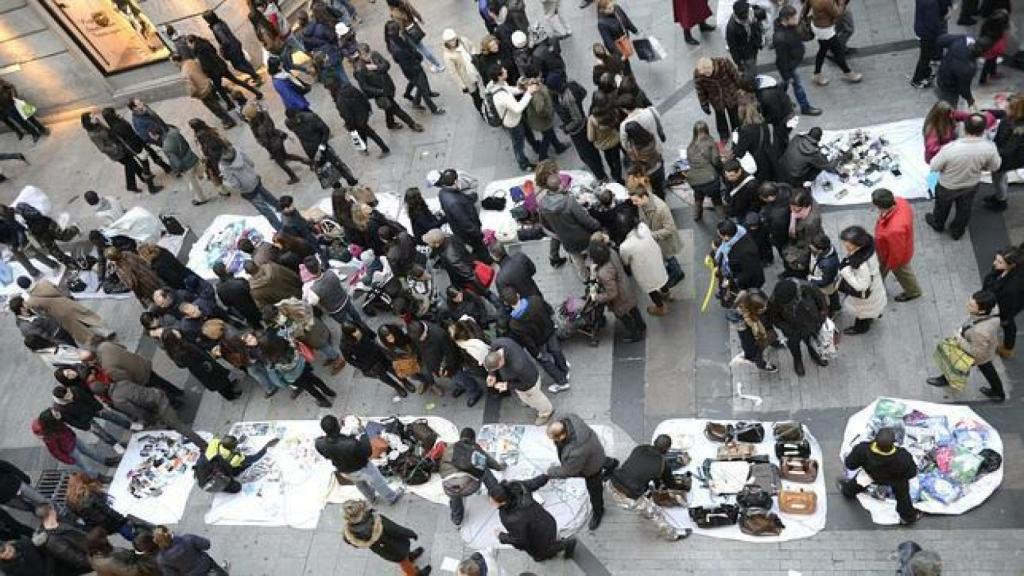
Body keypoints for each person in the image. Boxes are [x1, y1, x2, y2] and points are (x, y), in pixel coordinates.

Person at [925, 114, 1001, 240]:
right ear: (983, 130)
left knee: (941, 207)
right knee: (964, 209)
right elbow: (995, 166)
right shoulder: (990, 148)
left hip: (948, 185)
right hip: (970, 185)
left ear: (965, 128)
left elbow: (934, 166)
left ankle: (938, 224)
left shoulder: (950, 148)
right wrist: (983, 167)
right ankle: (957, 231)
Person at [608, 434, 693, 540]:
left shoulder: (640, 448)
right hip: (627, 497)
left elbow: (639, 469)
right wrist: (684, 487)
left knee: (645, 492)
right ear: (667, 449)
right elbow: (671, 484)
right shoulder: (662, 464)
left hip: (611, 484)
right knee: (656, 513)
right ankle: (673, 535)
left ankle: (644, 510)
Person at [927, 290, 1006, 400]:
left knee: (955, 363)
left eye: (971, 305)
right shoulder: (993, 311)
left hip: (977, 350)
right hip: (987, 348)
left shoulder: (980, 332)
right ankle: (998, 392)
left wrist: (959, 339)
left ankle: (945, 379)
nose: (967, 305)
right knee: (987, 368)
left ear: (982, 311)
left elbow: (976, 353)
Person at [546, 414, 618, 530]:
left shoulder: (575, 452)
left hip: (591, 469)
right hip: (595, 450)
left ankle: (598, 511)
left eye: (554, 439)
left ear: (562, 435)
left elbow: (568, 471)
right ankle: (612, 463)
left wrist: (551, 472)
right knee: (598, 458)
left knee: (595, 490)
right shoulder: (570, 418)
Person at [839, 428, 921, 525]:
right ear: (894, 442)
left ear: (875, 439)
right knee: (903, 496)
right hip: (895, 480)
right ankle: (908, 517)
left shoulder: (862, 449)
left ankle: (847, 491)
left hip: (871, 474)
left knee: (860, 480)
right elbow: (912, 473)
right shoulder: (903, 456)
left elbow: (850, 464)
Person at [316, 415, 404, 505]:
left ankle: (372, 498)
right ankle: (392, 497)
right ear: (337, 426)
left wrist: (347, 436)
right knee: (377, 481)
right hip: (362, 467)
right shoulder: (351, 444)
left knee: (360, 484)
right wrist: (363, 434)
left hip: (344, 470)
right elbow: (368, 452)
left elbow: (327, 454)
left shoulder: (319, 443)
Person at [488, 476, 576, 561]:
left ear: (503, 502)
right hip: (547, 520)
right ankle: (557, 544)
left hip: (538, 535)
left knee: (541, 553)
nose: (490, 501)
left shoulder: (511, 519)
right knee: (547, 543)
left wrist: (501, 536)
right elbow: (533, 483)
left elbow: (520, 541)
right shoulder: (517, 486)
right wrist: (546, 476)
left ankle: (566, 544)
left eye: (493, 501)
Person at [537, 162, 601, 279]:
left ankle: (585, 278)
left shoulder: (542, 204)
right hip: (583, 237)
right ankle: (595, 276)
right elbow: (586, 220)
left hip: (566, 241)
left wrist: (558, 235)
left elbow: (546, 226)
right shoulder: (569, 201)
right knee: (593, 256)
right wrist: (598, 226)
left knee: (577, 260)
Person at [501, 286, 570, 393]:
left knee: (546, 361)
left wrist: (536, 353)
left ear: (506, 303)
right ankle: (564, 369)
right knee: (556, 351)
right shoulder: (535, 300)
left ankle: (562, 381)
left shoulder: (514, 323)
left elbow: (527, 341)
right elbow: (548, 310)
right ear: (518, 295)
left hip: (538, 343)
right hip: (550, 332)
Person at [342, 499, 430, 576]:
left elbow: (354, 543)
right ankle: (413, 574)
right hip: (396, 547)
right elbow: (397, 530)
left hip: (382, 550)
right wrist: (411, 534)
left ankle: (409, 557)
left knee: (403, 559)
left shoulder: (349, 533)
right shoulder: (378, 522)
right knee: (404, 563)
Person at [81, 112, 161, 194]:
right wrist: (114, 148)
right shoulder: (93, 134)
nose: (94, 117)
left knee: (133, 163)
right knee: (130, 166)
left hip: (120, 147)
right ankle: (132, 185)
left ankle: (142, 179)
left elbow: (108, 130)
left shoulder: (97, 125)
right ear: (88, 121)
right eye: (92, 117)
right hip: (116, 153)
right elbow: (102, 148)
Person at [439, 427, 505, 525]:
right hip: (468, 487)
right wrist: (500, 467)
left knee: (454, 491)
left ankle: (457, 518)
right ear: (473, 439)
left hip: (448, 487)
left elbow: (442, 467)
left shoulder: (450, 447)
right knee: (484, 469)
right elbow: (490, 463)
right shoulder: (475, 449)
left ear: (460, 438)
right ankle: (496, 493)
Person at [353, 43, 424, 132]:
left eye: (368, 54)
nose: (367, 57)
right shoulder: (359, 69)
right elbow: (364, 87)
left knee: (389, 108)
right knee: (395, 108)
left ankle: (390, 124)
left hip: (387, 86)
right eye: (364, 55)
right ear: (359, 55)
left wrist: (377, 67)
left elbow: (386, 65)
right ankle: (412, 124)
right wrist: (380, 91)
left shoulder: (375, 55)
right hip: (380, 93)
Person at [630, 181, 685, 293]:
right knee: (666, 257)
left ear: (644, 197)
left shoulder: (661, 208)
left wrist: (651, 235)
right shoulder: (642, 204)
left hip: (665, 240)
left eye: (636, 201)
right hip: (657, 239)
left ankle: (678, 274)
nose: (634, 204)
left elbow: (670, 228)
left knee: (670, 257)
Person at [20, 278, 109, 346]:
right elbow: (60, 289)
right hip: (67, 302)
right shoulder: (44, 282)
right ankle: (105, 331)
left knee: (78, 328)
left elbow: (42, 313)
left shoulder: (31, 301)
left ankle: (96, 340)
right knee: (85, 317)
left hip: (58, 314)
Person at [32, 410, 117, 481]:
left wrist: (72, 434)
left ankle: (106, 461)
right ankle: (98, 477)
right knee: (85, 465)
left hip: (73, 440)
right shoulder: (48, 437)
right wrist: (69, 460)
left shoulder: (56, 422)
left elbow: (65, 428)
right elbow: (56, 453)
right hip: (70, 451)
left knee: (91, 451)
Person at [484, 338, 554, 424]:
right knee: (524, 396)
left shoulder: (518, 366)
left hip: (529, 382)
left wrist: (507, 385)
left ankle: (546, 412)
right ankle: (527, 401)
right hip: (520, 378)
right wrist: (492, 374)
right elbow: (491, 356)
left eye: (496, 369)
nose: (496, 370)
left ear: (501, 361)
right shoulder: (497, 344)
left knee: (535, 398)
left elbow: (527, 384)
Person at [340, 322, 416, 401]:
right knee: (384, 377)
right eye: (354, 332)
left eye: (356, 330)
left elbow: (373, 336)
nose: (358, 332)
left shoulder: (362, 328)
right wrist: (363, 366)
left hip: (379, 354)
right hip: (370, 364)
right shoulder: (344, 345)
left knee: (394, 369)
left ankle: (405, 381)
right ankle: (397, 387)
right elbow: (349, 360)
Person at [768, 278, 829, 376]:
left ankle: (815, 353)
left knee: (812, 342)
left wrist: (821, 317)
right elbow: (774, 318)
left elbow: (822, 302)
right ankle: (798, 361)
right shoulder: (776, 299)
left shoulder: (808, 288)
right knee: (794, 346)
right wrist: (787, 329)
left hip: (811, 324)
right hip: (792, 329)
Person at [284, 107, 359, 187]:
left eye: (295, 118)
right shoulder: (289, 123)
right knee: (324, 169)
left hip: (321, 145)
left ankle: (350, 180)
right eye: (292, 120)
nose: (295, 121)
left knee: (336, 163)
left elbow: (326, 130)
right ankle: (336, 186)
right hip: (310, 149)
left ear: (297, 114)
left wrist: (322, 147)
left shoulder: (311, 118)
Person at [51, 382, 135, 452]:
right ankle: (115, 444)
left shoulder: (74, 390)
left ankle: (129, 425)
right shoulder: (60, 408)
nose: (70, 396)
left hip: (92, 408)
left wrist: (99, 407)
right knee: (99, 432)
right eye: (67, 397)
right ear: (61, 399)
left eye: (69, 393)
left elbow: (88, 398)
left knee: (112, 416)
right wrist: (86, 427)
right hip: (84, 419)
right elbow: (72, 421)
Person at [871, 189, 922, 302]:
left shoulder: (894, 230)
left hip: (893, 256)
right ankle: (877, 283)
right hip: (893, 249)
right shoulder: (901, 202)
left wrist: (891, 264)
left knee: (903, 273)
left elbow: (896, 252)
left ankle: (913, 292)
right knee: (881, 269)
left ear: (879, 207)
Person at [384, 21, 445, 116]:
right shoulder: (396, 48)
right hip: (412, 69)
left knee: (419, 82)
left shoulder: (395, 40)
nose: (401, 31)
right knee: (422, 86)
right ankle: (434, 108)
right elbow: (405, 61)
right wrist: (416, 63)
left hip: (413, 65)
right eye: (399, 29)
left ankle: (413, 97)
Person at [590, 241, 646, 342]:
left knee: (623, 315)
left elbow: (612, 293)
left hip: (620, 298)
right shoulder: (612, 252)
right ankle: (641, 325)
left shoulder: (604, 273)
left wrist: (597, 297)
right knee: (633, 308)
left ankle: (635, 334)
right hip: (626, 286)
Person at [836, 225, 887, 335]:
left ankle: (860, 328)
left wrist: (846, 272)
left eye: (848, 246)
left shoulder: (861, 264)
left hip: (866, 297)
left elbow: (862, 286)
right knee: (871, 309)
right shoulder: (868, 247)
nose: (846, 247)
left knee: (862, 315)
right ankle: (872, 316)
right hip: (875, 288)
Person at [618, 209, 670, 316]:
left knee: (651, 288)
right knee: (660, 277)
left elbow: (625, 261)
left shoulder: (625, 246)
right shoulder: (643, 227)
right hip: (655, 259)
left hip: (643, 269)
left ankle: (660, 307)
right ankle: (666, 293)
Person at [487, 66, 540, 171]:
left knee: (528, 132)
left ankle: (535, 146)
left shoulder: (497, 84)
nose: (506, 70)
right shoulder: (501, 96)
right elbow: (518, 108)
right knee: (518, 145)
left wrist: (523, 88)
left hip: (517, 118)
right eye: (503, 71)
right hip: (512, 123)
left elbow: (511, 90)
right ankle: (524, 164)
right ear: (499, 77)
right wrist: (529, 92)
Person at [219, 145, 283, 230]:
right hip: (254, 179)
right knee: (269, 197)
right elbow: (251, 163)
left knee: (266, 210)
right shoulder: (237, 150)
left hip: (247, 190)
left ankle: (280, 229)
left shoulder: (223, 166)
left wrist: (225, 182)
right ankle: (285, 211)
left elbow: (235, 184)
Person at [242, 103, 308, 184]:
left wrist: (262, 143)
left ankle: (293, 177)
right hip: (278, 138)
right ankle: (305, 161)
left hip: (272, 145)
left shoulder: (256, 126)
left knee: (281, 163)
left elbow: (263, 140)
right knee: (286, 155)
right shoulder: (264, 114)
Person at [774, 6, 822, 116]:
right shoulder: (780, 38)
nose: (796, 20)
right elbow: (781, 59)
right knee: (797, 86)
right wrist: (787, 75)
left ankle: (776, 101)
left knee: (783, 85)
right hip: (789, 66)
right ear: (785, 20)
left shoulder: (789, 28)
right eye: (793, 18)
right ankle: (805, 106)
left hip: (793, 62)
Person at [804, 0, 863, 86]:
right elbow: (837, 14)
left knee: (822, 50)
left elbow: (806, 7)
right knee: (837, 51)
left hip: (817, 25)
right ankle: (848, 73)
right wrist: (841, 3)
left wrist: (805, 17)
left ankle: (817, 74)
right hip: (825, 30)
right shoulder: (826, 1)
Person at [983, 93, 1024, 211]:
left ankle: (1001, 200)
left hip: (1008, 159)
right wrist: (987, 112)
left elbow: (1007, 151)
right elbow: (1002, 113)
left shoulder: (1019, 131)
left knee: (997, 178)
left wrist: (987, 149)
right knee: (1000, 177)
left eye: (1008, 106)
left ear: (1017, 111)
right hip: (1005, 152)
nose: (1005, 107)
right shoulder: (1014, 115)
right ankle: (1000, 195)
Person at [65, 474, 138, 541]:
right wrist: (123, 519)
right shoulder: (90, 496)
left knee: (126, 533)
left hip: (103, 525)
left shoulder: (70, 503)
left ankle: (137, 543)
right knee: (130, 531)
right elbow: (108, 510)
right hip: (114, 521)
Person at [173, 54, 236, 129]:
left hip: (202, 92)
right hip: (207, 84)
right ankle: (227, 119)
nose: (173, 64)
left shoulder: (184, 73)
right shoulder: (191, 62)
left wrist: (192, 94)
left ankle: (228, 121)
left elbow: (192, 88)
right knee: (216, 104)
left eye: (172, 62)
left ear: (176, 61)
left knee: (214, 108)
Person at [328, 82, 391, 156]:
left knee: (370, 133)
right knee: (362, 132)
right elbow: (363, 97)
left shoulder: (340, 100)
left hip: (357, 120)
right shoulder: (350, 88)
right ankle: (364, 149)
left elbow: (347, 115)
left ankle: (385, 149)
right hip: (364, 113)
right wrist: (368, 108)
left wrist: (349, 125)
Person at [162, 124, 217, 206]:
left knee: (194, 184)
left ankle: (201, 199)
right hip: (192, 157)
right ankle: (215, 183)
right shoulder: (177, 134)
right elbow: (186, 144)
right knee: (203, 172)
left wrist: (178, 170)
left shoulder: (166, 147)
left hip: (186, 166)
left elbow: (176, 162)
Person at [983, 247, 1023, 359]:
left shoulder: (1012, 287)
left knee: (1008, 325)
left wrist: (1004, 319)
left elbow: (1007, 308)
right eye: (996, 259)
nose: (994, 263)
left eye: (1000, 262)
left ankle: (1007, 348)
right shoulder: (1001, 269)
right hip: (997, 301)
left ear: (1011, 265)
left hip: (1005, 307)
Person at [32, 503, 92, 575]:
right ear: (51, 512)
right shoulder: (52, 541)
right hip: (92, 560)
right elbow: (75, 558)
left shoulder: (60, 520)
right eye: (53, 509)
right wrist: (95, 562)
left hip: (94, 547)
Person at [204, 10, 261, 84]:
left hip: (232, 49)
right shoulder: (221, 22)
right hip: (236, 43)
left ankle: (255, 75)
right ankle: (255, 76)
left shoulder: (216, 28)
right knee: (244, 62)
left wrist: (222, 49)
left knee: (237, 66)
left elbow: (225, 40)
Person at [694, 57, 742, 142]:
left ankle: (737, 132)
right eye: (704, 73)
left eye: (708, 72)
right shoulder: (698, 74)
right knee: (720, 117)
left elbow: (736, 76)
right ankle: (724, 135)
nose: (706, 74)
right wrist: (704, 103)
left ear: (712, 66)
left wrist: (742, 89)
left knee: (734, 116)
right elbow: (700, 90)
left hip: (731, 94)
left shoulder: (724, 63)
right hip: (716, 99)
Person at [152, 525, 228, 576]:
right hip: (208, 566)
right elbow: (207, 544)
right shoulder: (187, 539)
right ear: (168, 532)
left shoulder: (162, 559)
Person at [686, 120, 723, 221]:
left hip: (693, 180)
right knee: (716, 199)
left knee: (698, 195)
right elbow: (716, 161)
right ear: (707, 130)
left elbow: (690, 162)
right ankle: (721, 220)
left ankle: (697, 215)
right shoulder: (711, 143)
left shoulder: (690, 146)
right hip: (710, 179)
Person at [934, 34, 983, 108]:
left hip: (941, 75)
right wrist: (969, 99)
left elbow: (941, 40)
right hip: (949, 88)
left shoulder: (960, 41)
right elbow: (963, 88)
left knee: (941, 100)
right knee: (949, 109)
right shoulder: (968, 68)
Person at [910, 0, 951, 88]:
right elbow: (932, 22)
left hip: (921, 29)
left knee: (926, 56)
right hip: (928, 34)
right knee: (925, 57)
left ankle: (926, 74)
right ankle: (917, 80)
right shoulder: (931, 3)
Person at [596, 0, 638, 76]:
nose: (613, 9)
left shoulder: (616, 8)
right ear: (602, 10)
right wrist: (621, 54)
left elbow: (626, 20)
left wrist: (634, 30)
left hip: (623, 39)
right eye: (609, 8)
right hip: (617, 46)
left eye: (612, 6)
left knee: (627, 56)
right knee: (625, 64)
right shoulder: (601, 23)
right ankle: (627, 77)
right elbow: (609, 42)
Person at [726, 0, 765, 81]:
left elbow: (761, 17)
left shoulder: (751, 13)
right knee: (751, 72)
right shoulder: (731, 28)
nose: (748, 15)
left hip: (753, 46)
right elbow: (732, 47)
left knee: (753, 64)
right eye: (745, 15)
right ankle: (749, 84)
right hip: (745, 53)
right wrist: (739, 62)